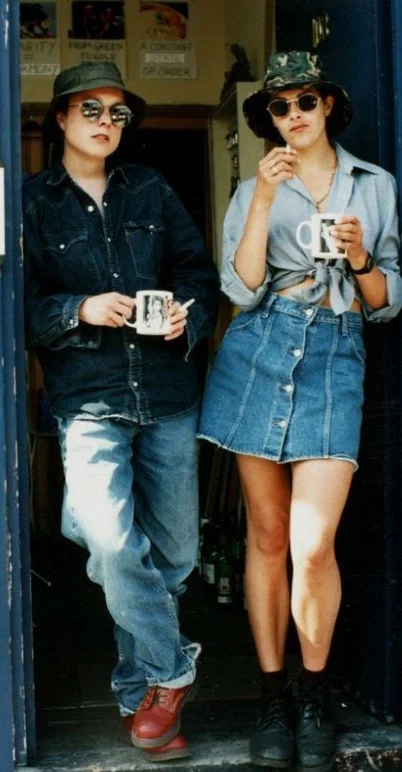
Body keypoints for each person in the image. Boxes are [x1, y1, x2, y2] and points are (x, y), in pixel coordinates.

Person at [198, 51, 402, 771]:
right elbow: (241, 286)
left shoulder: (374, 186)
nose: (295, 116)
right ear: (270, 121)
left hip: (334, 356)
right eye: (281, 108)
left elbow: (386, 304)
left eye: (306, 102)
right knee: (269, 536)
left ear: (328, 108)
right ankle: (272, 694)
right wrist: (259, 202)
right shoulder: (259, 185)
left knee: (315, 543)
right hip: (260, 347)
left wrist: (360, 259)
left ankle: (315, 692)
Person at [23, 62, 219, 761]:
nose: (106, 122)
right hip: (92, 400)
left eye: (118, 113)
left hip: (166, 394)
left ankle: (145, 702)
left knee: (172, 559)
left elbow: (199, 274)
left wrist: (186, 319)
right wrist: (79, 308)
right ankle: (175, 670)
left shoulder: (153, 191)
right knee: (108, 542)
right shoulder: (32, 203)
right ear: (62, 121)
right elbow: (17, 306)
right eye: (91, 109)